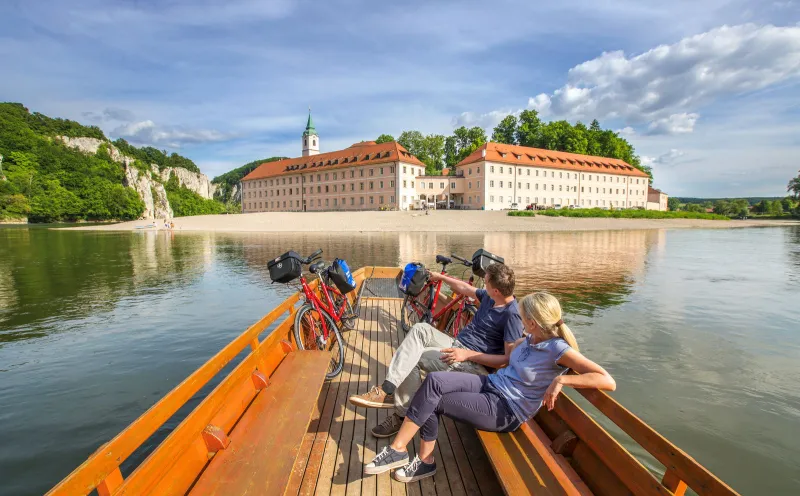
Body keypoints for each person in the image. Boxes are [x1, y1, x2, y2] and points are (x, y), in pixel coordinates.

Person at [363, 292, 615, 483]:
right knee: (434, 381)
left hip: (507, 409)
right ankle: (400, 451)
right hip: (492, 384)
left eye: (524, 316)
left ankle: (420, 459)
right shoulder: (529, 338)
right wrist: (469, 355)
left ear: (534, 322)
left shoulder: (558, 349)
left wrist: (562, 380)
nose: (520, 318)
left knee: (432, 400)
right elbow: (503, 361)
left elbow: (606, 380)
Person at [349, 263, 524, 438]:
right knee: (420, 329)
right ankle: (389, 387)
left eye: (486, 282)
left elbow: (506, 359)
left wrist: (467, 355)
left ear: (497, 291)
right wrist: (441, 277)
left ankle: (402, 415)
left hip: (473, 364)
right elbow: (465, 288)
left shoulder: (512, 316)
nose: (483, 285)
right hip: (457, 345)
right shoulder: (490, 297)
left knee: (415, 359)